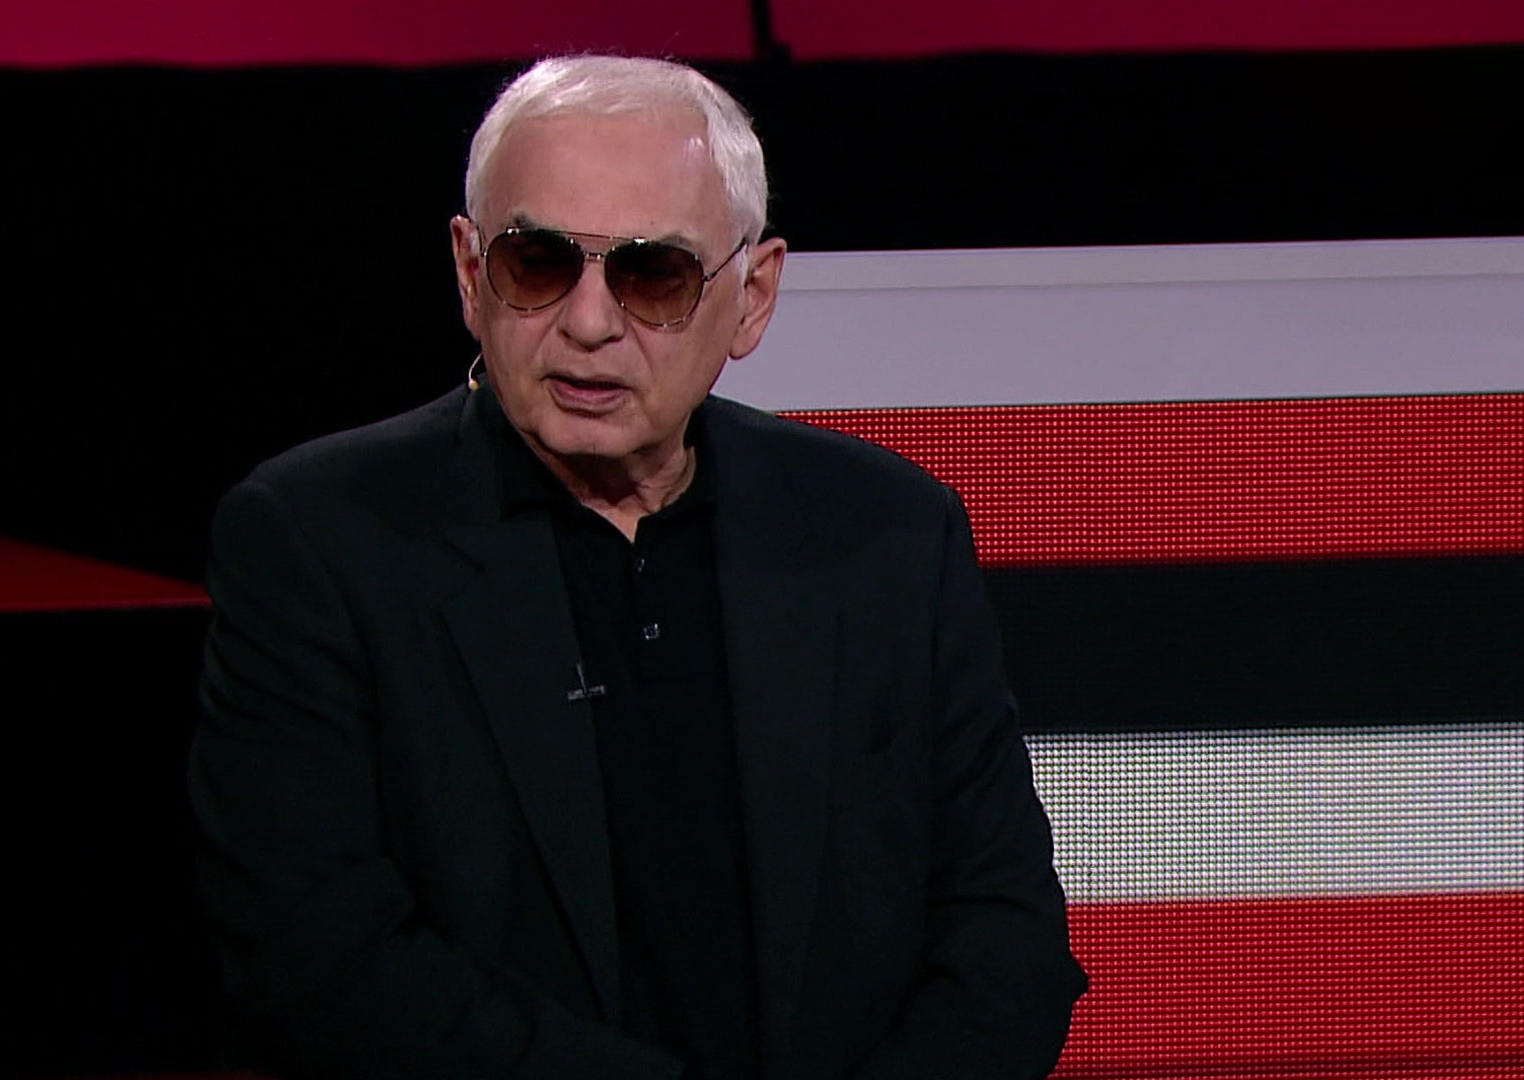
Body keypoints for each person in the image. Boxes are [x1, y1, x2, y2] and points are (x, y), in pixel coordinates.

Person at [189, 55, 1085, 1080]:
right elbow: (317, 953)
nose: (587, 323)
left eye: (652, 275)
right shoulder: (319, 541)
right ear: (470, 272)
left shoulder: (888, 533)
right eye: (537, 264)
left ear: (752, 297)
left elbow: (1005, 937)